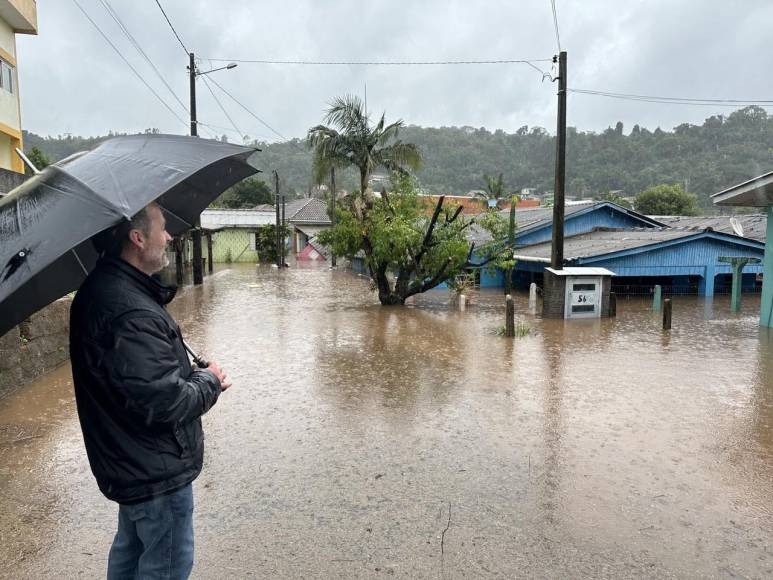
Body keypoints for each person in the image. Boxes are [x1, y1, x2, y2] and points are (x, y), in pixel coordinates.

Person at [69, 202, 231, 579]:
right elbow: (165, 401)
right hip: (154, 471)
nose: (170, 236)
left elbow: (137, 382)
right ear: (138, 238)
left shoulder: (106, 291)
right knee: (165, 568)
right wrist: (209, 381)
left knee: (130, 556)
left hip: (132, 463)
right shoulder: (130, 310)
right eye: (162, 228)